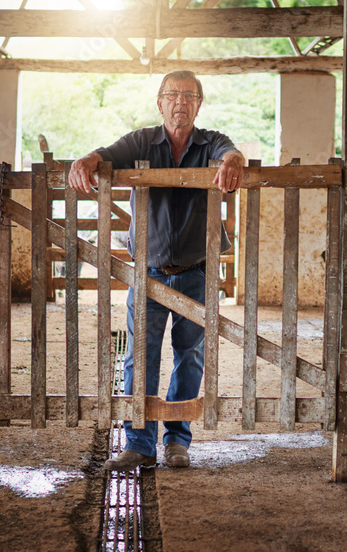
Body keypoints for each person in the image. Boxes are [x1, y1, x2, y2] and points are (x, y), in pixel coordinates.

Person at [68, 70, 245, 471]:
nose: (180, 101)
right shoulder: (141, 141)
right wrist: (87, 161)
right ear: (159, 102)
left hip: (197, 272)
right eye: (172, 94)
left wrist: (234, 162)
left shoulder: (211, 142)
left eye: (188, 95)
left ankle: (177, 441)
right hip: (148, 272)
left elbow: (234, 154)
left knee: (190, 356)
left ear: (198, 104)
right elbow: (104, 154)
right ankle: (139, 443)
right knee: (139, 357)